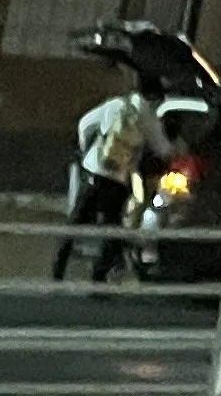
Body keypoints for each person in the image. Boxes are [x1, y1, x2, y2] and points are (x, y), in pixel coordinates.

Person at [55, 77, 161, 285]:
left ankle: (57, 272)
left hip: (95, 171)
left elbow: (85, 124)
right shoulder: (148, 118)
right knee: (111, 230)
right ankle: (98, 277)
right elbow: (162, 148)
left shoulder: (116, 105)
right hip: (118, 181)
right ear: (155, 98)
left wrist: (88, 150)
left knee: (75, 224)